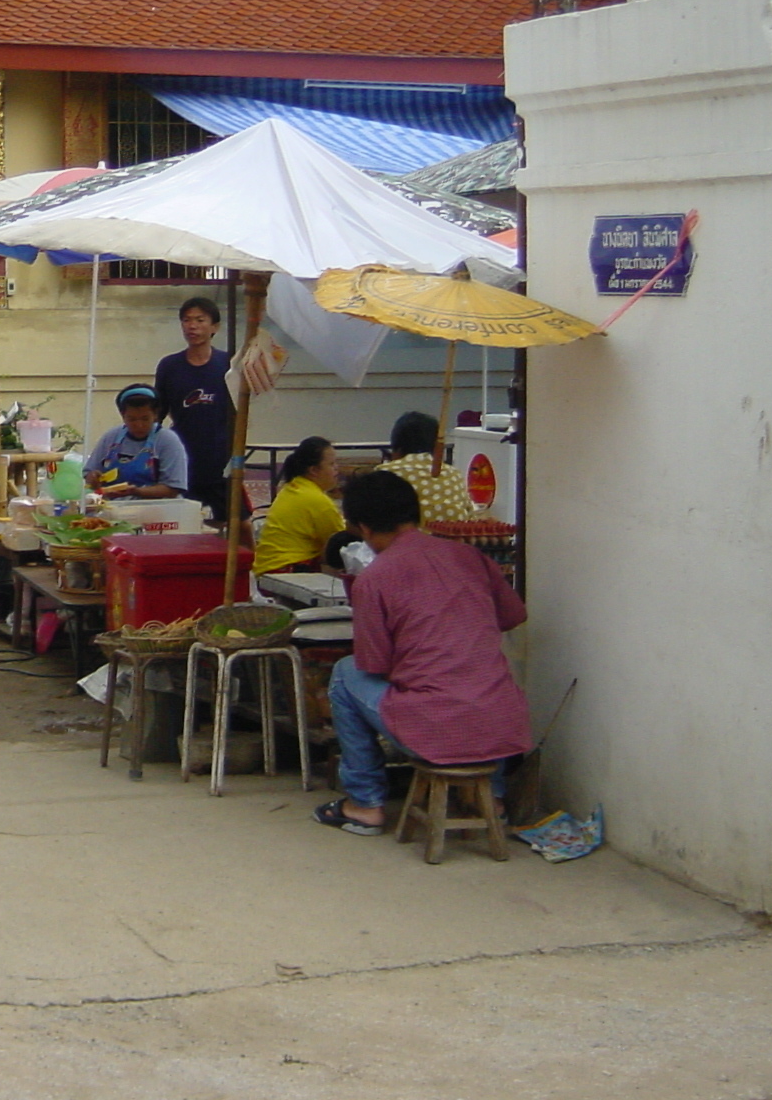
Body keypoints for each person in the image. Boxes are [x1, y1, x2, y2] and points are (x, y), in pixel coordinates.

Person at [313, 470, 530, 837]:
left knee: (346, 673)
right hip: (502, 722)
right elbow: (513, 615)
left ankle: (365, 804)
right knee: (477, 681)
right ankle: (491, 798)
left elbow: (374, 663)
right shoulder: (468, 556)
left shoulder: (374, 578)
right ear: (416, 514)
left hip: (437, 727)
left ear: (363, 528)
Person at [153, 296, 235, 519]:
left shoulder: (229, 364)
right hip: (182, 453)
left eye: (200, 320)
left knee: (233, 520)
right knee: (184, 519)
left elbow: (241, 409)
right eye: (187, 320)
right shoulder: (169, 366)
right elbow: (157, 414)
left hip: (220, 455)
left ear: (214, 327)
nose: (192, 326)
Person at [254, 436, 347, 574]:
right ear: (314, 470)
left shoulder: (293, 487)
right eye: (332, 464)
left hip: (266, 567)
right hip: (287, 568)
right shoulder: (316, 499)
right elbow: (339, 542)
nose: (337, 469)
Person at [375, 411, 482, 524]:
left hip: (403, 541)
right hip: (452, 541)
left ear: (397, 448)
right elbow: (471, 518)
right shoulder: (454, 474)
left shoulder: (384, 474)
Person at [82, 385, 188, 498]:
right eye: (132, 419)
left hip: (157, 508)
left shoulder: (167, 440)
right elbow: (89, 473)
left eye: (145, 419)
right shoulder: (111, 438)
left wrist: (136, 491)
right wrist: (93, 478)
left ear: (156, 415)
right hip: (113, 508)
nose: (139, 425)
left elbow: (172, 489)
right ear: (123, 416)